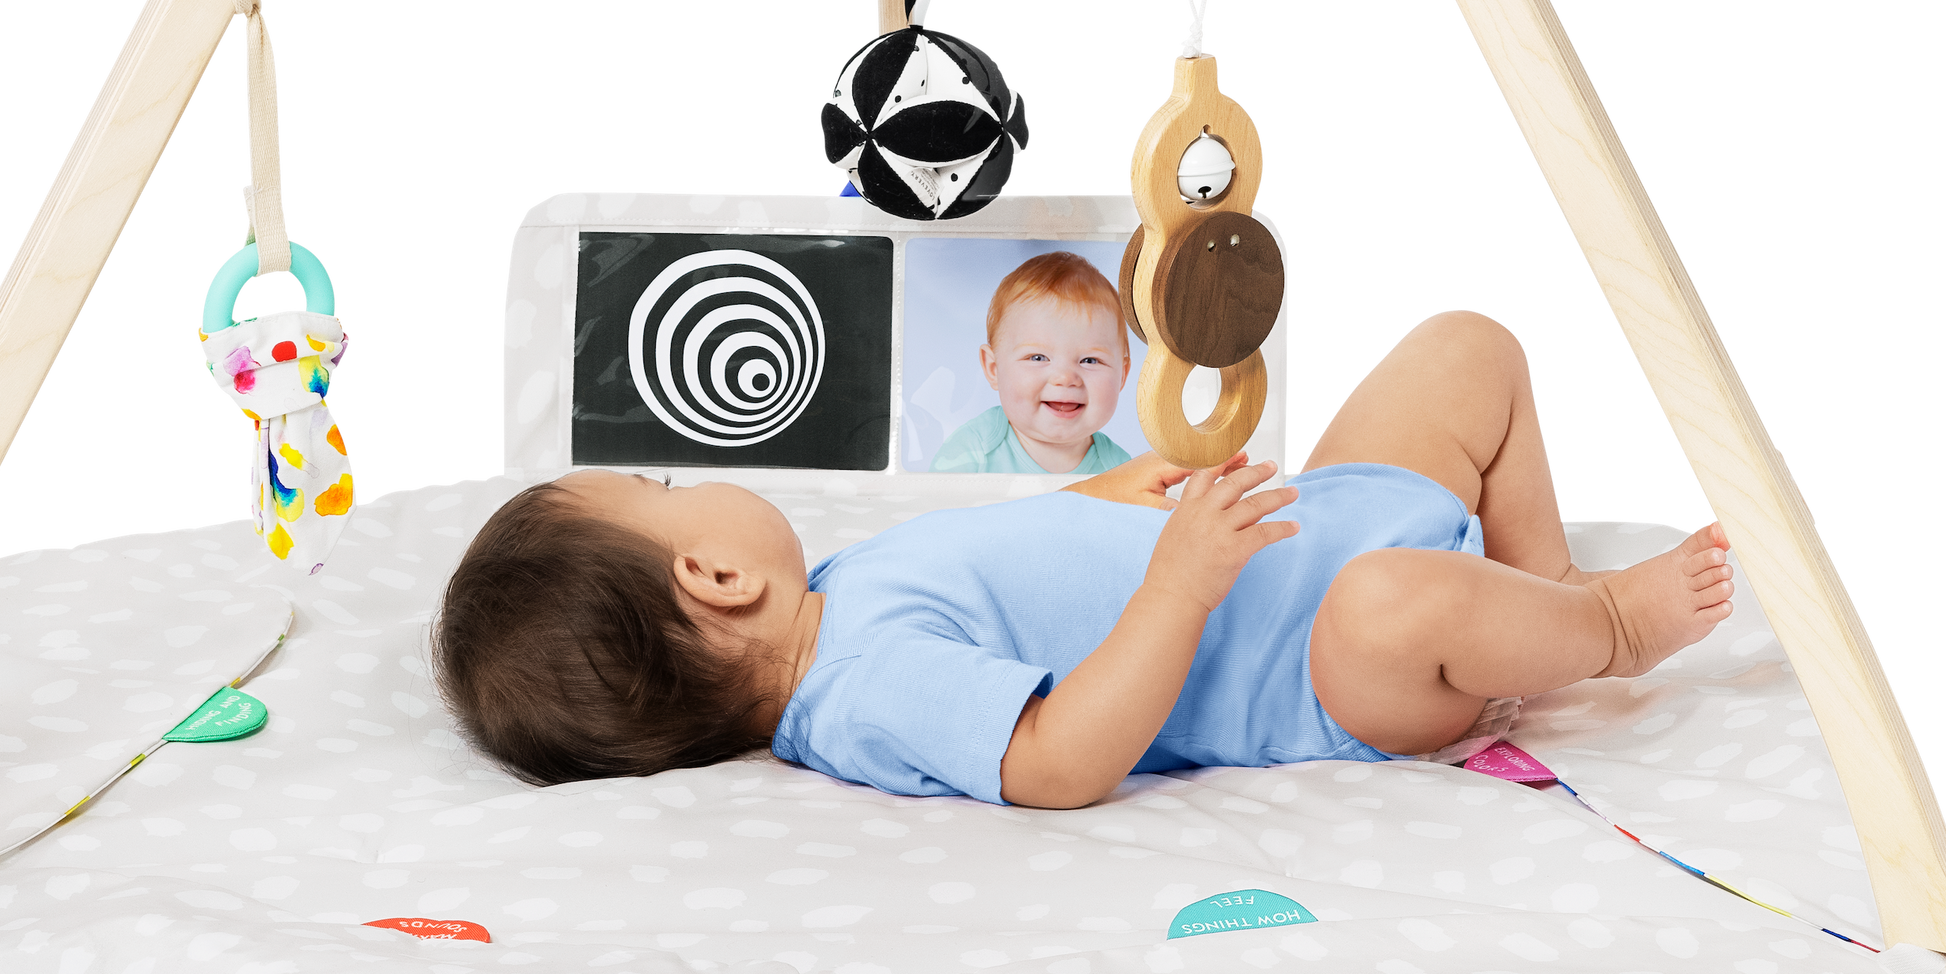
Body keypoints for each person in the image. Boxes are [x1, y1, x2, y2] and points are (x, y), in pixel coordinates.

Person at [434, 308, 1732, 807]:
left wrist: (1110, 495)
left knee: (1470, 347)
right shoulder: (866, 689)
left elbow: (1018, 557)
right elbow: (1057, 758)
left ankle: (1539, 588)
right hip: (1327, 665)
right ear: (713, 579)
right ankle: (1604, 630)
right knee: (1400, 604)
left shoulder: (843, 602)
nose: (689, 479)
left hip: (1311, 521)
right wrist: (1173, 581)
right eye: (664, 489)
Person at [927, 250, 1134, 476]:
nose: (1065, 378)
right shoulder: (969, 454)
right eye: (1038, 358)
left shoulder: (1122, 473)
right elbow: (932, 509)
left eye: (1090, 360)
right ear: (993, 369)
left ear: (1122, 375)